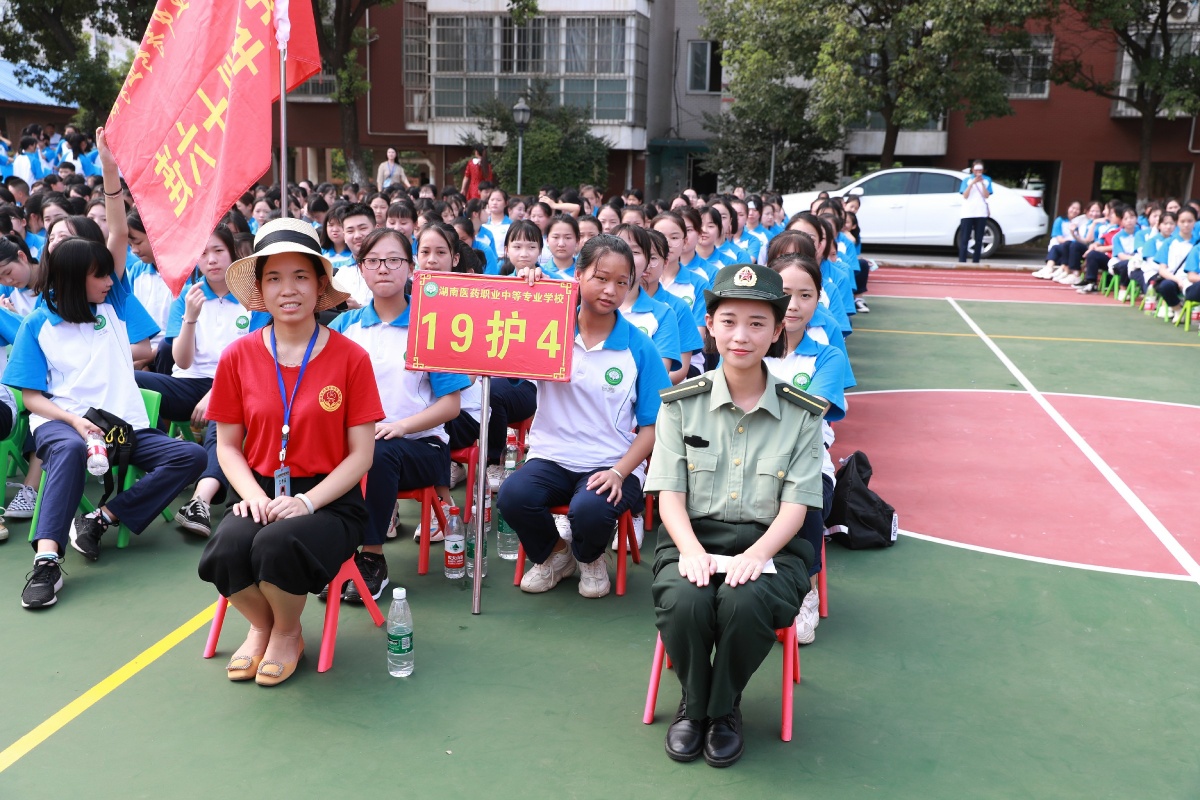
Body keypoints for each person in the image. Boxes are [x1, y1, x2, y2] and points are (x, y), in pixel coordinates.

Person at [647, 262, 824, 768]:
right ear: (710, 325)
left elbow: (797, 507)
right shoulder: (681, 405)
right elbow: (669, 494)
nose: (740, 335)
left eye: (756, 323)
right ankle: (694, 703)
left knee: (745, 603)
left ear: (778, 329)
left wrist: (759, 553)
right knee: (686, 599)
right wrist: (690, 551)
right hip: (693, 536)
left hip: (774, 545)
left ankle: (721, 710)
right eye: (728, 321)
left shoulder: (802, 413)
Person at [197, 218, 383, 685]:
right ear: (260, 289)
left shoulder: (351, 358)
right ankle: (261, 626)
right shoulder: (237, 356)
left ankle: (286, 632)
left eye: (301, 276)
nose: (288, 290)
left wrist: (307, 502)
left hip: (330, 501)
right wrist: (253, 497)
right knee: (226, 548)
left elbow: (361, 456)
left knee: (277, 545)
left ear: (320, 285)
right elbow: (227, 446)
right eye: (275, 278)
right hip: (259, 492)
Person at [6, 236, 207, 609]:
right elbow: (31, 398)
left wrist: (114, 191)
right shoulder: (37, 324)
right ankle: (46, 562)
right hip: (62, 423)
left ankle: (101, 518)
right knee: (69, 450)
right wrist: (74, 421)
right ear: (73, 278)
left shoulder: (112, 304)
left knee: (191, 456)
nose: (110, 280)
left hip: (122, 427)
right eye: (99, 275)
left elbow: (117, 233)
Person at [496, 234, 670, 598]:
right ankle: (557, 554)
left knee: (590, 510)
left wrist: (619, 472)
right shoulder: (550, 329)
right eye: (600, 278)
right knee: (512, 496)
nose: (610, 290)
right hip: (551, 456)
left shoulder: (640, 347)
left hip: (611, 461)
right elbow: (504, 333)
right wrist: (529, 286)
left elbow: (653, 427)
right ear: (578, 274)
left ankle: (590, 557)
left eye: (621, 282)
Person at [329, 228, 468, 600]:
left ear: (411, 268)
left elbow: (450, 405)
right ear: (361, 269)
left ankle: (372, 559)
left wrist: (401, 426)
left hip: (421, 447)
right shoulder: (344, 328)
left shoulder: (430, 326)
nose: (383, 268)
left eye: (393, 260)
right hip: (359, 445)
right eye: (373, 261)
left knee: (378, 453)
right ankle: (336, 557)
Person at [135, 227, 271, 536]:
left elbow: (255, 359)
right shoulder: (188, 296)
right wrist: (191, 316)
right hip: (189, 385)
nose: (211, 260)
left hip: (237, 387)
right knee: (130, 380)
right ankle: (169, 454)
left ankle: (200, 501)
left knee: (222, 421)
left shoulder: (254, 297)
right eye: (203, 253)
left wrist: (217, 391)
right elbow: (182, 361)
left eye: (218, 251)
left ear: (233, 253)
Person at [958, 161, 992, 264]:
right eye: (976, 170)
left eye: (980, 170)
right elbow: (965, 195)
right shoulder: (967, 180)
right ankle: (962, 260)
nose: (978, 172)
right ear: (972, 169)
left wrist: (982, 183)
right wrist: (972, 183)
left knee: (979, 238)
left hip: (981, 212)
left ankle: (976, 261)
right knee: (965, 237)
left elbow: (987, 195)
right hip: (968, 212)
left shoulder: (987, 179)